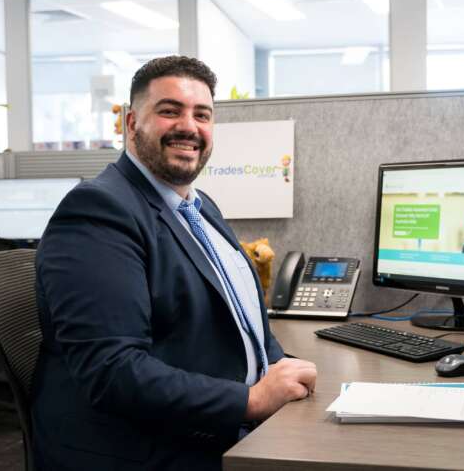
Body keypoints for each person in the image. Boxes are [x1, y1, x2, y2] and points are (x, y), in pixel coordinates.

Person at [33, 56, 317, 471]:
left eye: (202, 115)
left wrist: (278, 366)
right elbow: (113, 371)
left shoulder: (200, 208)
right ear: (132, 123)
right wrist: (251, 399)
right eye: (170, 111)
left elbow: (243, 317)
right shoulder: (99, 210)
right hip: (145, 448)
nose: (189, 126)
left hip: (218, 424)